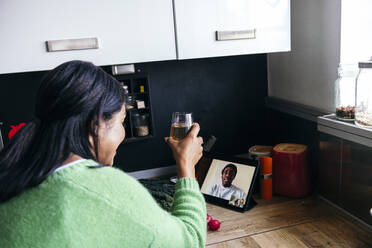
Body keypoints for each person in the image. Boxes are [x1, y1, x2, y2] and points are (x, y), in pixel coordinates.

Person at [0, 60, 206, 247]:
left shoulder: (12, 174)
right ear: (95, 126)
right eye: (122, 121)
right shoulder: (108, 190)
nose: (123, 133)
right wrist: (186, 164)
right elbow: (189, 241)